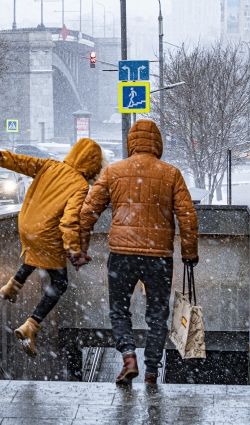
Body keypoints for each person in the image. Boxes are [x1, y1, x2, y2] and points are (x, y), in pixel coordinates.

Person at [80, 119, 199, 385]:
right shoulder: (171, 174)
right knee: (157, 314)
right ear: (158, 144)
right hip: (159, 256)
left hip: (121, 253)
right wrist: (189, 252)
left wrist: (80, 245)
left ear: (131, 143)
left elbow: (88, 211)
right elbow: (188, 216)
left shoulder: (113, 172)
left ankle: (129, 356)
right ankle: (152, 370)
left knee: (119, 310)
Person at [0, 138, 103, 357]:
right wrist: (74, 250)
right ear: (93, 165)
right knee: (60, 282)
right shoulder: (79, 185)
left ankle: (12, 286)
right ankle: (31, 326)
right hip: (47, 232)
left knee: (35, 254)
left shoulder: (50, 166)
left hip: (26, 224)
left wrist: (0, 157)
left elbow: (24, 163)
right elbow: (68, 222)